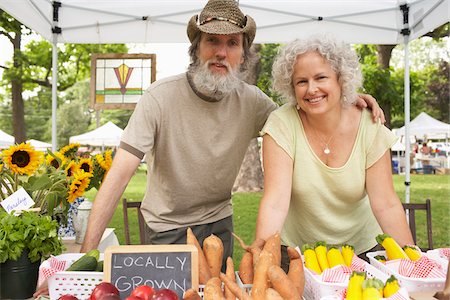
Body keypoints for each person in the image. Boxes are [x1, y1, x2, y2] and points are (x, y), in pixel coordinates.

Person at [80, 1, 384, 264]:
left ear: (244, 54)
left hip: (219, 224)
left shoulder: (253, 102)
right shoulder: (158, 98)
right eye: (212, 40)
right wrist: (86, 254)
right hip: (167, 227)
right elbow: (119, 175)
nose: (221, 53)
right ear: (196, 47)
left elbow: (306, 112)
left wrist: (350, 100)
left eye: (232, 43)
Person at [255, 35, 413, 269]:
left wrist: (412, 262)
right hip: (297, 254)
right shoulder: (281, 124)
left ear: (341, 80)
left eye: (321, 77)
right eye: (301, 81)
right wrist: (261, 257)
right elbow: (275, 203)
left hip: (361, 251)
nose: (311, 89)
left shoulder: (370, 126)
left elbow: (386, 204)